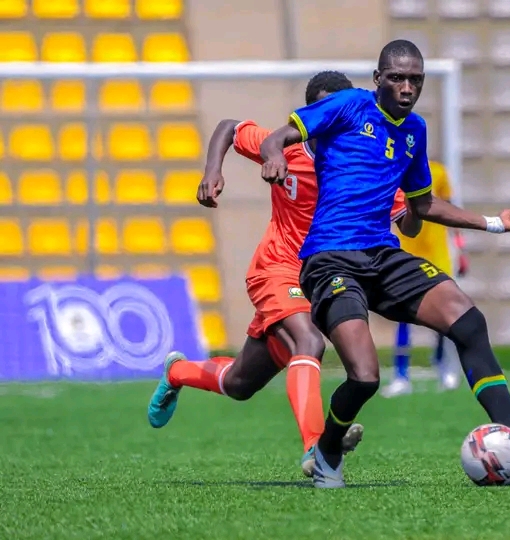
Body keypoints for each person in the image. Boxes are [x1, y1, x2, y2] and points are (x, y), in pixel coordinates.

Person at [259, 40, 510, 488]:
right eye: (397, 77)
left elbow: (423, 205)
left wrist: (493, 223)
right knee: (366, 376)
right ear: (378, 79)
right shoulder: (348, 105)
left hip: (382, 254)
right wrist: (274, 155)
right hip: (329, 258)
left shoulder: (414, 131)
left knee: (467, 321)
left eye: (416, 79)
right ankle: (327, 451)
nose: (407, 87)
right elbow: (279, 136)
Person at [146, 71, 420, 477]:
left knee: (240, 383)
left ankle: (177, 371)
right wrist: (212, 172)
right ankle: (317, 448)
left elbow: (408, 219)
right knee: (308, 342)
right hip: (276, 268)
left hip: (323, 276)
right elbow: (228, 128)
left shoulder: (364, 162)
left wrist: (416, 201)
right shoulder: (286, 149)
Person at [382, 160, 465, 397]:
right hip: (406, 252)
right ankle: (400, 376)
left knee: (441, 314)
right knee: (403, 316)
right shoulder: (392, 169)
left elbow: (450, 209)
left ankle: (442, 366)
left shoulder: (438, 171)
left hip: (437, 253)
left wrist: (461, 248)